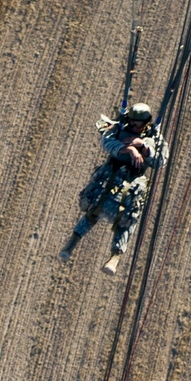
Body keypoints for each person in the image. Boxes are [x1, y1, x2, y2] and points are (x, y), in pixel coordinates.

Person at [60, 102, 168, 274]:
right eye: (131, 120)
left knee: (127, 221)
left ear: (146, 123)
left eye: (137, 122)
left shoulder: (153, 138)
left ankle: (115, 257)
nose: (132, 124)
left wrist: (144, 147)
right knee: (93, 211)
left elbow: (160, 161)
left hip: (131, 185)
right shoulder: (118, 129)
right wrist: (130, 149)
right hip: (109, 179)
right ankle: (71, 244)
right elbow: (108, 143)